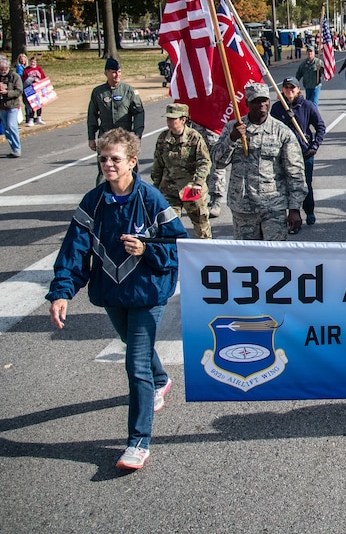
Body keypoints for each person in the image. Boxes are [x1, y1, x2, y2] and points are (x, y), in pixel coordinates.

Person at [46, 128, 187, 470]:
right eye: (104, 158)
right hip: (111, 292)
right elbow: (75, 251)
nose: (108, 164)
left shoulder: (151, 200)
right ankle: (160, 379)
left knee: (134, 362)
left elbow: (180, 247)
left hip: (148, 293)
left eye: (115, 159)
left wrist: (146, 249)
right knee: (133, 347)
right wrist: (62, 292)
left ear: (133, 162)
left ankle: (138, 442)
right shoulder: (92, 202)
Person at [213, 82, 306, 240]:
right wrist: (232, 139)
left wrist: (295, 208)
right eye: (256, 101)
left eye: (265, 100)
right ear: (247, 103)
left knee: (274, 257)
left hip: (273, 208)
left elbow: (295, 172)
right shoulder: (233, 129)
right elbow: (217, 162)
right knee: (247, 259)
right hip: (243, 209)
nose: (262, 104)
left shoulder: (282, 132)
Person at [151, 103, 213, 239]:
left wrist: (198, 182)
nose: (169, 122)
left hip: (190, 188)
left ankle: (207, 254)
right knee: (169, 225)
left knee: (201, 226)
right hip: (169, 189)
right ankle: (173, 255)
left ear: (183, 119)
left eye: (173, 119)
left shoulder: (194, 138)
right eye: (168, 118)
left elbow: (204, 162)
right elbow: (158, 164)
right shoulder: (163, 138)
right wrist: (155, 187)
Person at [270, 78, 325, 225]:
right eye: (286, 87)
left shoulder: (307, 106)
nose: (289, 90)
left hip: (304, 152)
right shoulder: (276, 108)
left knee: (305, 183)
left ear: (298, 89)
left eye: (292, 88)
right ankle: (293, 215)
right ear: (282, 90)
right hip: (283, 153)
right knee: (286, 184)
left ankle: (310, 211)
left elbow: (320, 127)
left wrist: (314, 146)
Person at [87, 57, 145, 180]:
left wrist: (137, 135)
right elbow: (92, 115)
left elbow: (139, 113)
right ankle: (104, 197)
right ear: (106, 73)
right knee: (105, 171)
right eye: (113, 72)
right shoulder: (98, 92)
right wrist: (91, 137)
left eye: (119, 71)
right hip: (106, 138)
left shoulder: (129, 91)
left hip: (125, 138)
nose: (117, 74)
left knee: (130, 171)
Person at [0, 57, 23, 158]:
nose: (3, 71)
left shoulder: (14, 76)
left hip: (12, 105)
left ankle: (17, 149)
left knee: (12, 126)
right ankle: (13, 148)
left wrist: (7, 92)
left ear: (8, 68)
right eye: (1, 69)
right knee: (6, 129)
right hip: (1, 106)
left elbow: (19, 90)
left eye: (5, 69)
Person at [22, 55, 47, 126]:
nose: (32, 63)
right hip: (30, 89)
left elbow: (43, 77)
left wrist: (40, 82)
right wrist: (32, 80)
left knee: (39, 104)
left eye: (34, 62)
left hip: (38, 89)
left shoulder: (39, 69)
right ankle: (31, 119)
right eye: (31, 62)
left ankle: (39, 118)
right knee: (32, 105)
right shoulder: (26, 70)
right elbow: (24, 80)